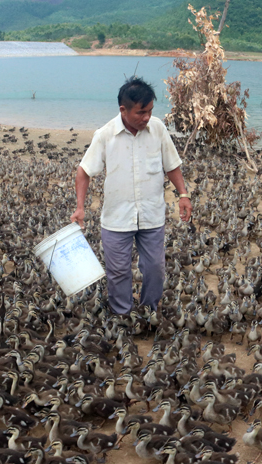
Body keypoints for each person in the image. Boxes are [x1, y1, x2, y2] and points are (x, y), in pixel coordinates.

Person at [70, 76, 192, 315]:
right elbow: (84, 171)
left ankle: (149, 312)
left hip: (152, 215)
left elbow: (172, 165)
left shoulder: (157, 129)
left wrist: (183, 194)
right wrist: (80, 207)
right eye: (141, 112)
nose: (146, 117)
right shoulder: (105, 135)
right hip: (117, 218)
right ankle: (122, 315)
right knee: (118, 272)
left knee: (156, 267)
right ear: (123, 110)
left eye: (150, 111)